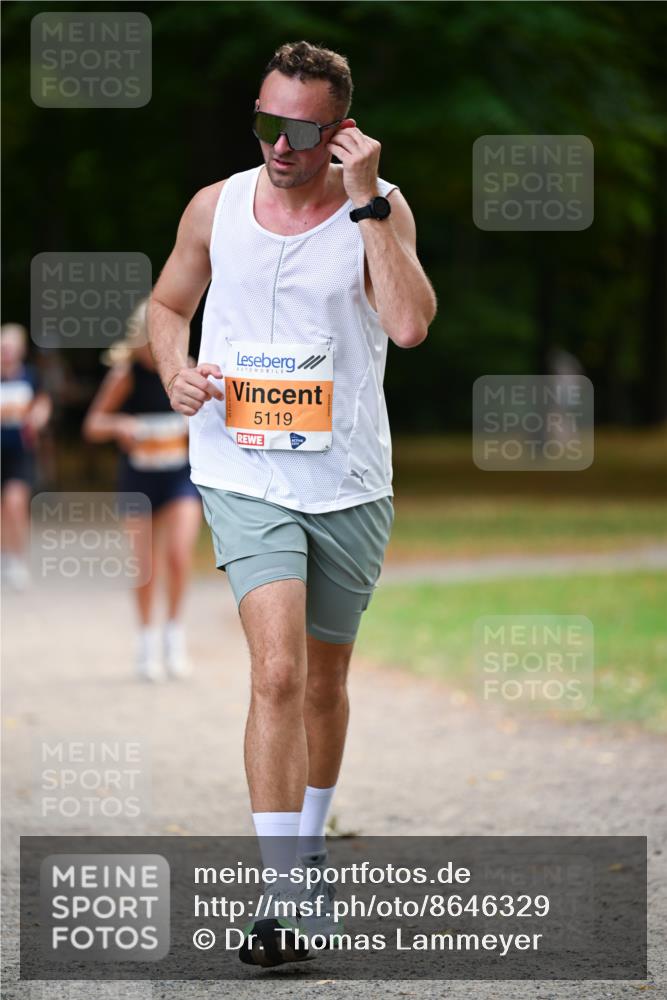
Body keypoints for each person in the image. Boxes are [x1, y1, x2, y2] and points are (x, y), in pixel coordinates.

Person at [148, 40, 437, 964]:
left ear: (342, 132)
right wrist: (174, 371)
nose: (280, 142)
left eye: (302, 128)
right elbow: (165, 306)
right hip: (241, 472)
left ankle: (307, 848)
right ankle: (280, 895)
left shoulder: (375, 214)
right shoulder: (215, 206)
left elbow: (408, 324)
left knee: (322, 682)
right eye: (267, 121)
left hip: (348, 482)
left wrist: (369, 206)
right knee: (273, 674)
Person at [83, 299, 202, 682]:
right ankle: (147, 640)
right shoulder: (126, 375)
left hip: (180, 477)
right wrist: (120, 426)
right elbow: (93, 424)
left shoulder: (189, 369)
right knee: (145, 566)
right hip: (139, 481)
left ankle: (174, 634)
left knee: (179, 556)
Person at [1, 323, 52, 590]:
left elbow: (43, 402)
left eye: (10, 348)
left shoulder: (30, 376)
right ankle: (4, 553)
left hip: (20, 452)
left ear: (20, 350)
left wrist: (38, 416)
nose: (6, 353)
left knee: (15, 503)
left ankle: (17, 558)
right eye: (2, 348)